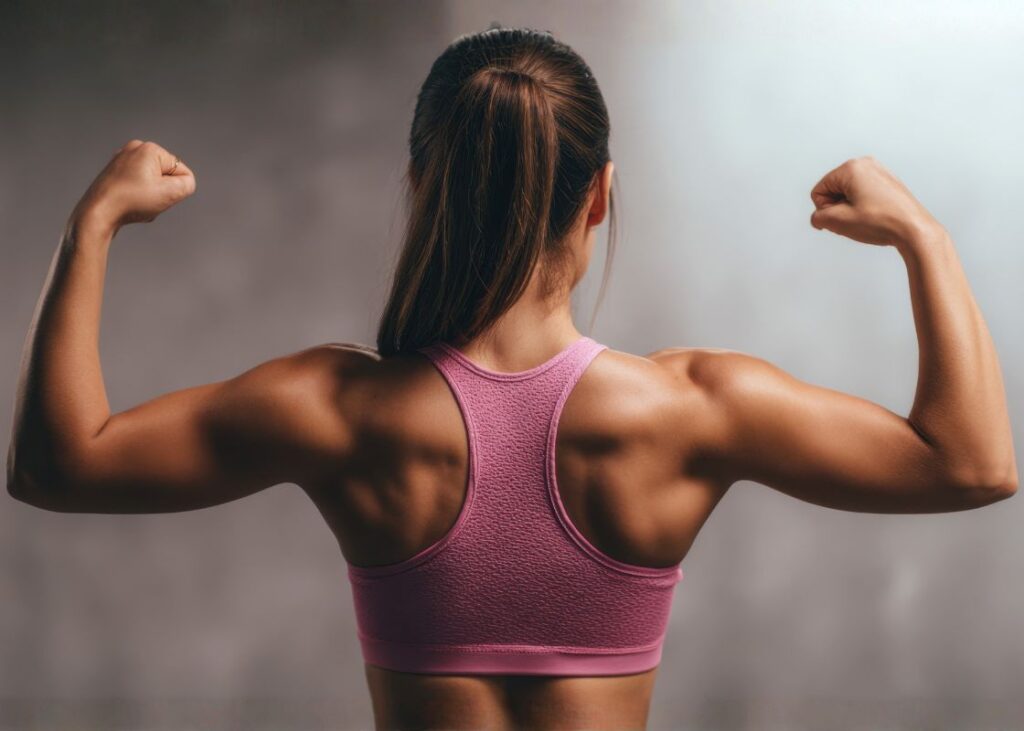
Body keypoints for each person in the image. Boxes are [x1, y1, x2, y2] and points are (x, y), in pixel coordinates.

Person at [7, 25, 1017, 731]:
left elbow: (60, 464)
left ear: (421, 184)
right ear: (599, 197)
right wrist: (921, 237)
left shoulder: (335, 411)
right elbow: (971, 462)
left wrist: (90, 224)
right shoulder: (690, 408)